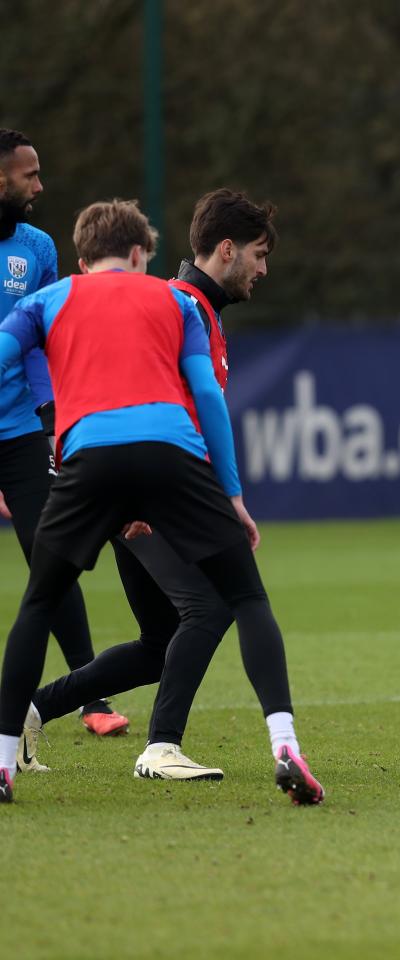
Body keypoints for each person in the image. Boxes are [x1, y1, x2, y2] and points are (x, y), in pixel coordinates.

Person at [0, 198, 323, 804]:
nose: (263, 269)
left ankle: (31, 714)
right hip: (158, 481)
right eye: (258, 255)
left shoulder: (151, 301)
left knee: (157, 638)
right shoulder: (179, 302)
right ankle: (164, 746)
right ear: (224, 249)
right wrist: (221, 494)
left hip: (107, 471)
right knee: (217, 605)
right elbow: (194, 401)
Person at [0, 128, 127, 736]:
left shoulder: (39, 247)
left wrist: (54, 417)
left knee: (51, 558)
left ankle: (91, 697)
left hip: (21, 428)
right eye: (30, 174)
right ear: (1, 179)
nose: (39, 185)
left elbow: (39, 344)